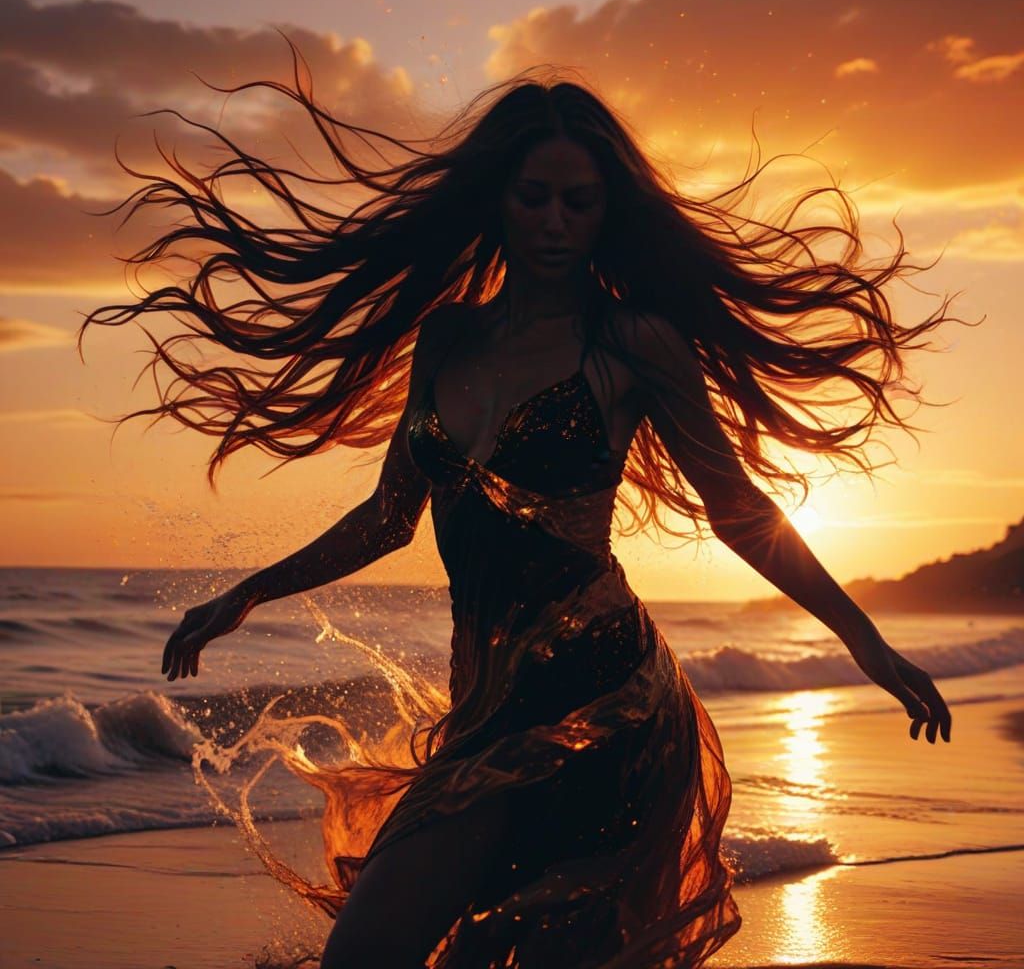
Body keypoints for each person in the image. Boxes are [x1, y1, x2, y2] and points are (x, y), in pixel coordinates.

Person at [80, 55, 954, 969]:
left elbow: (737, 509)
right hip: (484, 716)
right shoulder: (447, 336)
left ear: (608, 211)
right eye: (534, 197)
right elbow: (389, 515)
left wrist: (864, 640)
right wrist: (251, 592)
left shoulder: (632, 341)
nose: (555, 222)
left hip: (605, 704)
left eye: (580, 202)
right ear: (498, 198)